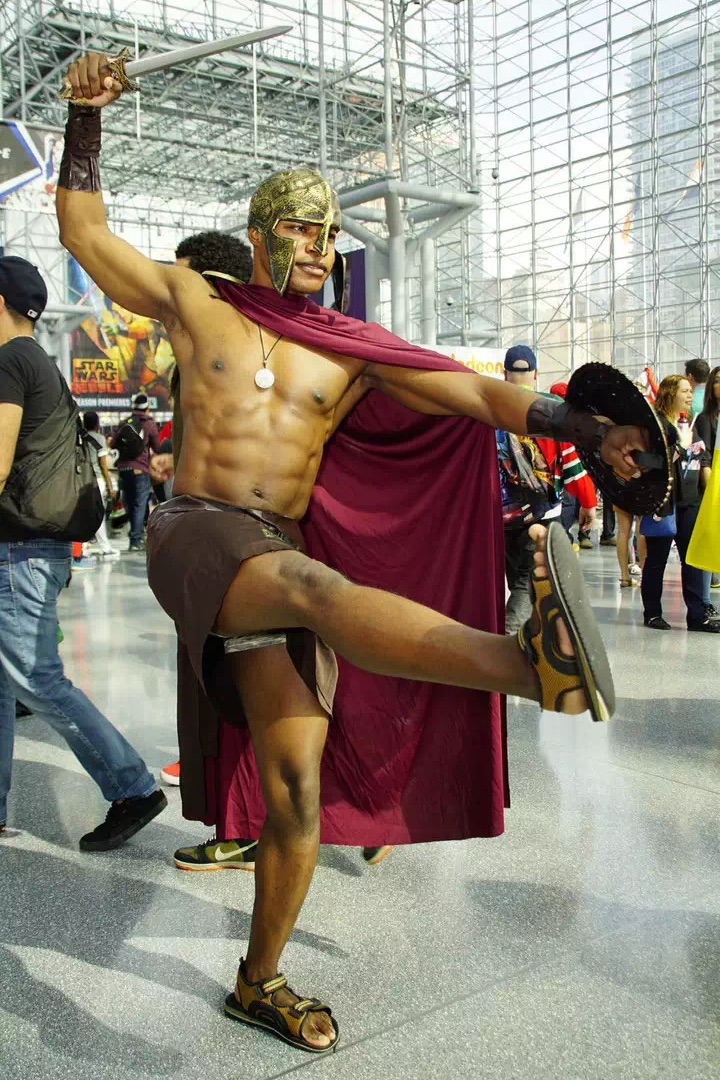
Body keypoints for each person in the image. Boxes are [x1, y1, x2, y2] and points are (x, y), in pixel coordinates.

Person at [57, 55, 649, 1055]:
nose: (318, 245)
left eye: (328, 231)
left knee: (295, 792)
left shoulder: (348, 348)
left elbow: (474, 394)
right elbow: (84, 232)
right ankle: (528, 667)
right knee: (312, 586)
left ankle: (257, 981)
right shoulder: (199, 302)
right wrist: (83, 118)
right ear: (259, 234)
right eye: (299, 227)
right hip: (197, 530)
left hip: (275, 554)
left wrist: (584, 427)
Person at [0, 254, 167, 843]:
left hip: (17, 551)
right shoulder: (40, 362)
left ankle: (132, 786)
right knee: (8, 680)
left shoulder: (9, 362)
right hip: (33, 546)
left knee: (36, 678)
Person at [499, 363, 597, 633]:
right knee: (527, 581)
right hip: (542, 513)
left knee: (517, 578)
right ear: (536, 374)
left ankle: (525, 638)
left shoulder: (494, 410)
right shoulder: (549, 410)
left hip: (503, 515)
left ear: (505, 373)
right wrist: (589, 503)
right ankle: (510, 635)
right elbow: (572, 466)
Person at [640, 375, 719, 633]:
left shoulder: (690, 424)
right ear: (669, 393)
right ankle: (652, 613)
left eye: (690, 391)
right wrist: (679, 447)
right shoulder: (656, 425)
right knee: (657, 560)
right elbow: (649, 462)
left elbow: (702, 456)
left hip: (690, 501)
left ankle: (697, 616)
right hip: (664, 502)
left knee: (692, 560)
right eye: (684, 391)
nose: (690, 395)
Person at [109, 391, 161, 551]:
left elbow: (113, 443)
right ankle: (135, 540)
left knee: (130, 504)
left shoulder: (125, 423)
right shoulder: (149, 423)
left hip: (123, 469)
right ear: (147, 408)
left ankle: (136, 535)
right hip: (140, 469)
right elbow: (157, 447)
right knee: (139, 504)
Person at [692, 365, 720, 611]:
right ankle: (705, 601)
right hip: (711, 488)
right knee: (708, 540)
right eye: (717, 380)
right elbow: (705, 457)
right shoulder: (705, 418)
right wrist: (712, 487)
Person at [83, 409, 120, 558]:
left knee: (84, 514)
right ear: (97, 424)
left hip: (83, 479)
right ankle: (105, 547)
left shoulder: (81, 438)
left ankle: (83, 547)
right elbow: (103, 465)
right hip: (97, 479)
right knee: (99, 515)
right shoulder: (99, 439)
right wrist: (110, 485)